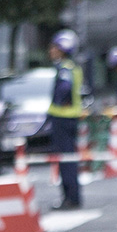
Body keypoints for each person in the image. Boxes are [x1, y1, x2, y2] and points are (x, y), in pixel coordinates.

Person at [48, 28, 86, 210]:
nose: (51, 50)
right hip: (71, 118)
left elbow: (65, 89)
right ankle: (73, 196)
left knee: (66, 160)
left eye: (54, 47)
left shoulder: (64, 68)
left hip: (62, 119)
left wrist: (58, 102)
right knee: (69, 158)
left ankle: (70, 198)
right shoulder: (73, 67)